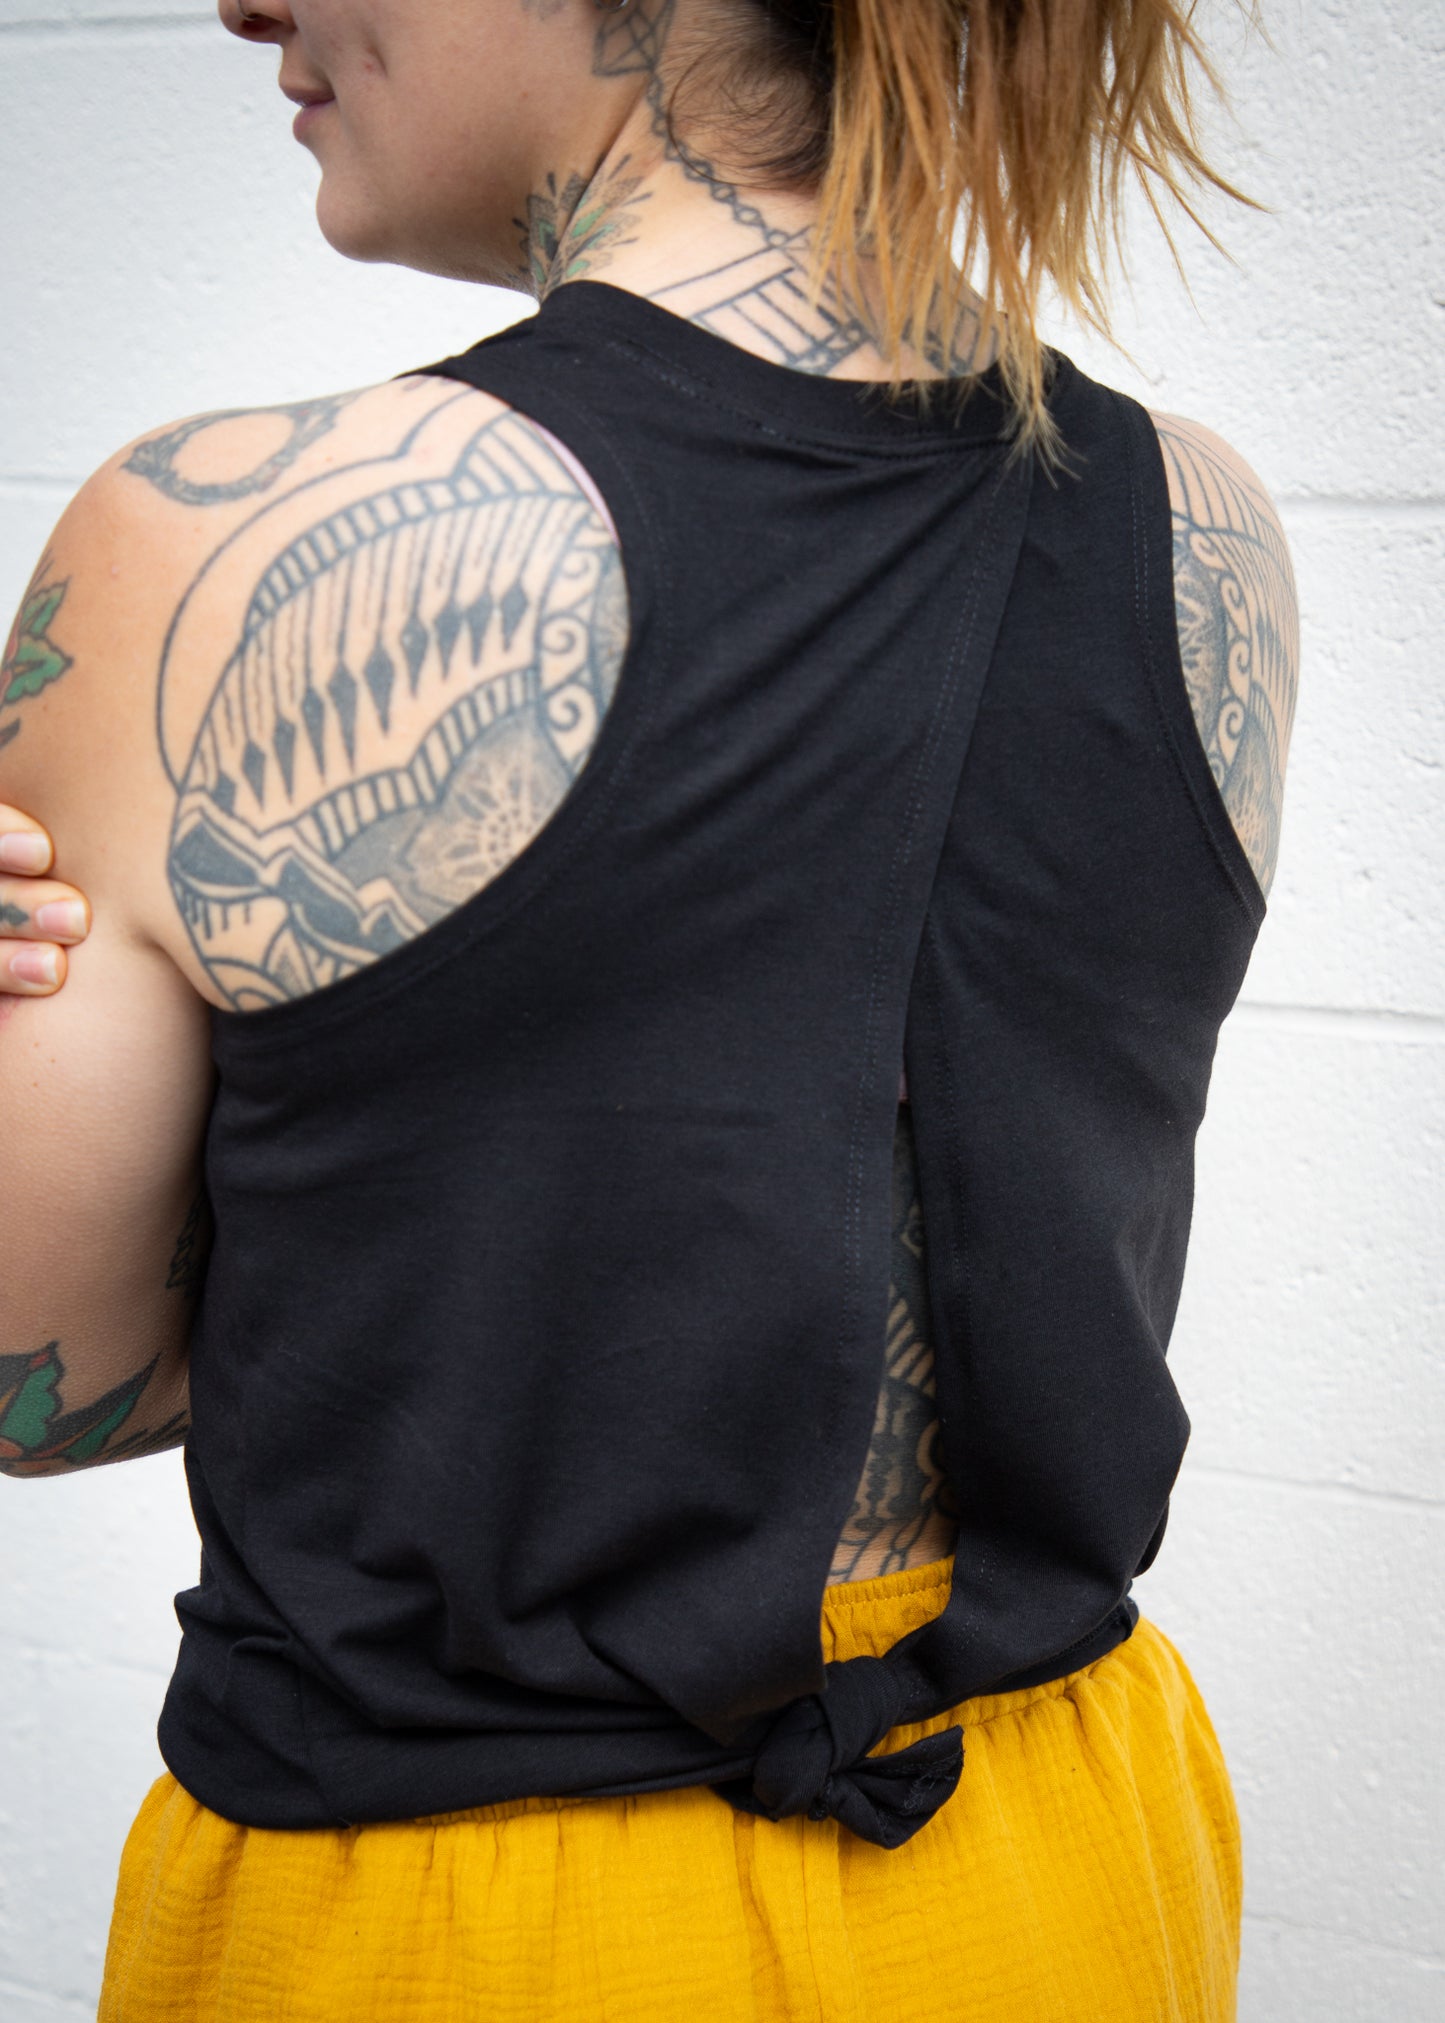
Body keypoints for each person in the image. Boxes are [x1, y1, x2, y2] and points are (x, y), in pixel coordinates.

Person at [0, 0, 1299, 2015]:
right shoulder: (1203, 531)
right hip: (1058, 1854)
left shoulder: (212, 545)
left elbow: (39, 1377)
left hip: (471, 1924)